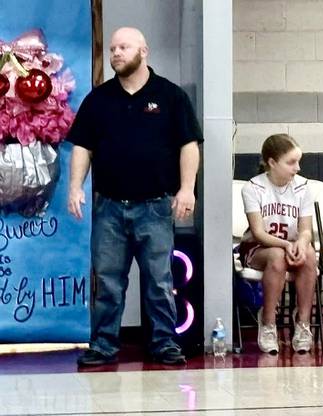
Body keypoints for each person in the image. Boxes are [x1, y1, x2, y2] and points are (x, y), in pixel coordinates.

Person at [67, 27, 202, 366]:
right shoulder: (98, 99)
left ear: (144, 51)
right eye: (113, 48)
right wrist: (75, 187)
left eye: (123, 47)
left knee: (159, 281)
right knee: (108, 282)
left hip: (155, 206)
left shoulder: (170, 96)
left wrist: (187, 188)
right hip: (109, 207)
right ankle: (103, 345)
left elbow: (189, 145)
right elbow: (82, 146)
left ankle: (164, 343)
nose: (115, 53)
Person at [239, 134, 317, 354]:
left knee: (309, 254)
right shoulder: (253, 188)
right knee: (277, 257)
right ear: (272, 162)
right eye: (291, 162)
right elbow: (258, 233)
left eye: (298, 161)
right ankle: (268, 321)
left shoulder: (303, 187)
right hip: (258, 249)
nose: (298, 168)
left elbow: (306, 230)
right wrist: (286, 245)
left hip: (290, 245)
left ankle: (303, 323)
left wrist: (301, 243)